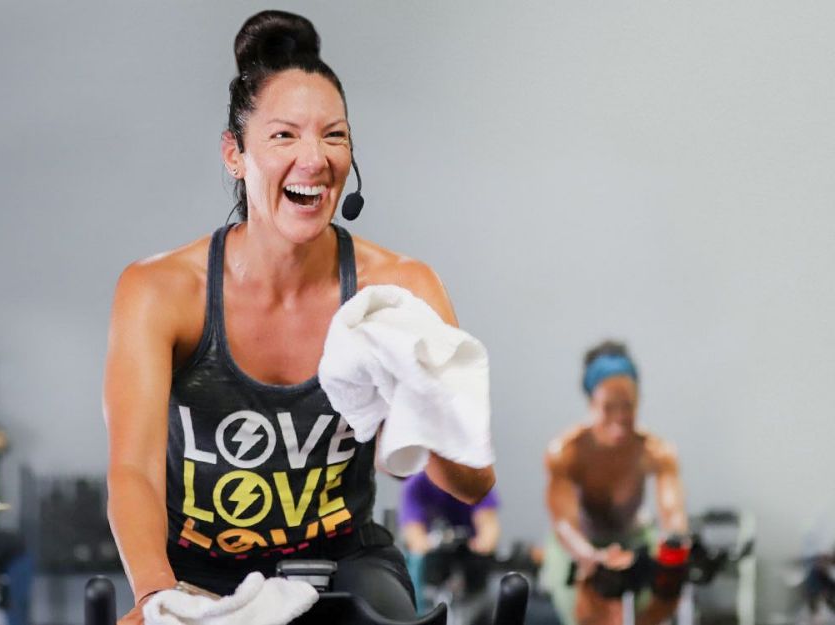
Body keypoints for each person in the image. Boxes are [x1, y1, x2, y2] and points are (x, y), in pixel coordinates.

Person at [103, 11, 495, 624]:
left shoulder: (398, 289)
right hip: (198, 569)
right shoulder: (159, 291)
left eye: (334, 136)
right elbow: (133, 471)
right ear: (235, 153)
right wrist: (156, 594)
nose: (314, 158)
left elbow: (473, 482)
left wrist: (411, 391)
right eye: (284, 136)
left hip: (346, 564)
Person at [542, 341, 687, 625]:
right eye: (609, 408)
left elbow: (673, 515)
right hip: (581, 544)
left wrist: (677, 547)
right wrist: (590, 557)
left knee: (662, 596)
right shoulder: (567, 452)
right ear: (591, 403)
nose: (619, 419)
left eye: (628, 407)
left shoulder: (655, 452)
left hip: (634, 539)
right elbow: (564, 522)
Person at [399, 472, 501, 614]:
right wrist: (425, 544)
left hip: (471, 564)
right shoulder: (416, 484)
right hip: (435, 567)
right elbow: (413, 533)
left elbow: (488, 527)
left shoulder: (475, 479)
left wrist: (482, 544)